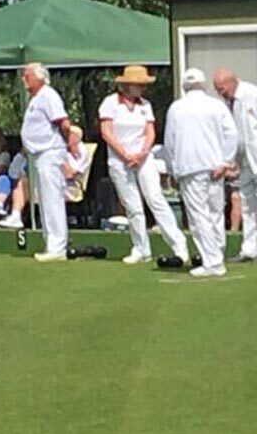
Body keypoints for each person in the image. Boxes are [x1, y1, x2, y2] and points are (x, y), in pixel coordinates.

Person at [99, 65, 190, 264]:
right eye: (139, 84)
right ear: (127, 85)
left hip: (143, 157)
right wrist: (124, 154)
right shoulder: (110, 103)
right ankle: (141, 248)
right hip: (119, 159)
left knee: (156, 198)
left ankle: (179, 246)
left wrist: (142, 153)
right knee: (132, 205)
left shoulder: (145, 105)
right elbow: (106, 132)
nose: (142, 88)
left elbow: (150, 131)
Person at [163, 67, 238, 277]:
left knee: (199, 217)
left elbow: (170, 142)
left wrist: (173, 169)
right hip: (215, 167)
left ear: (185, 86)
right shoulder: (216, 106)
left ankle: (212, 262)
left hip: (190, 168)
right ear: (204, 85)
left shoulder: (176, 108)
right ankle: (217, 255)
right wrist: (225, 162)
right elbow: (231, 134)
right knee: (214, 214)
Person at [213, 68, 257, 262]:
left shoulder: (254, 95)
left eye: (222, 89)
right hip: (245, 160)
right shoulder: (229, 103)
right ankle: (248, 249)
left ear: (231, 82)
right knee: (247, 203)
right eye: (217, 91)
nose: (221, 94)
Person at [20, 62, 77, 262]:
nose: (23, 79)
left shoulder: (48, 95)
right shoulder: (36, 98)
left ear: (39, 77)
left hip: (50, 152)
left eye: (27, 76)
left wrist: (67, 144)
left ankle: (57, 245)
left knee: (52, 199)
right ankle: (50, 242)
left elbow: (64, 123)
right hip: (39, 153)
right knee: (44, 199)